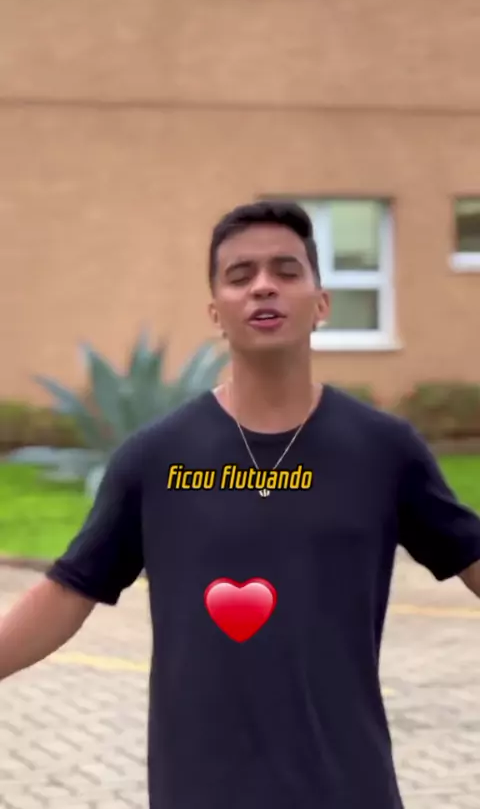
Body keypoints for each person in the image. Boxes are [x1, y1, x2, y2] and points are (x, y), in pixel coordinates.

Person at [1, 200, 480, 809]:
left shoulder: (384, 452)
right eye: (240, 275)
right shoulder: (157, 458)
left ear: (321, 303)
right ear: (216, 313)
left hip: (347, 787)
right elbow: (68, 593)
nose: (263, 286)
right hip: (201, 789)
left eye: (286, 270)